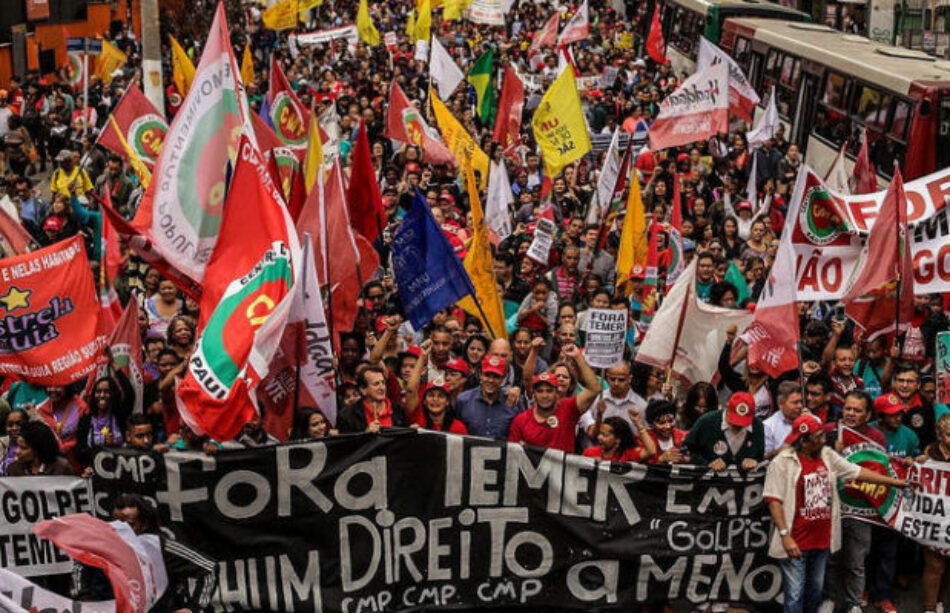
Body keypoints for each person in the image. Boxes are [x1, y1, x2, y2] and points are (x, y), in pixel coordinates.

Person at [764, 413, 906, 613]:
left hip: (821, 540)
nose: (824, 440)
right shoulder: (781, 463)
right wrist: (785, 536)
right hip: (795, 541)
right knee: (795, 594)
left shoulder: (827, 456)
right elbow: (773, 500)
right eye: (818, 437)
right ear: (804, 441)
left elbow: (857, 472)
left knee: (815, 590)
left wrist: (896, 482)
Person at [507, 345, 600, 453]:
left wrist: (578, 357)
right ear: (534, 394)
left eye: (549, 391)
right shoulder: (520, 420)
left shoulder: (569, 409)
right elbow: (511, 455)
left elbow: (594, 389)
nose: (545, 395)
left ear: (556, 392)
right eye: (540, 391)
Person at [683, 391, 765, 471]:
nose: (738, 425)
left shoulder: (757, 426)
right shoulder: (706, 422)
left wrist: (755, 461)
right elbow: (685, 451)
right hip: (709, 481)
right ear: (727, 407)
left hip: (745, 483)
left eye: (743, 422)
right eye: (735, 419)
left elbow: (760, 456)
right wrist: (707, 463)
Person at [456, 355, 524, 439]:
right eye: (487, 375)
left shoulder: (514, 402)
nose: (491, 380)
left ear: (503, 379)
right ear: (481, 375)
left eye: (496, 376)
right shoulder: (463, 400)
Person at [7, 421, 74, 476]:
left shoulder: (61, 468)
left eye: (23, 448)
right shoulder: (14, 469)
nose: (17, 451)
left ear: (38, 449)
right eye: (17, 446)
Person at [583, 414, 656, 462]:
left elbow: (651, 451)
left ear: (618, 439)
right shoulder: (589, 452)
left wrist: (639, 426)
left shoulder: (628, 455)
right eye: (600, 433)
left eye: (605, 435)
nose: (599, 437)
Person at [764, 381, 805, 458]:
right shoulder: (768, 426)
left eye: (801, 402)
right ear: (781, 404)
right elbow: (765, 457)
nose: (800, 406)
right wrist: (781, 450)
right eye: (795, 403)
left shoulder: (813, 420)